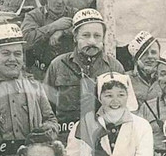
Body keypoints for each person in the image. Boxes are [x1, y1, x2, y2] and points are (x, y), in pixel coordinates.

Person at [0, 23, 59, 156]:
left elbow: (51, 119)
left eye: (17, 53)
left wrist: (47, 130)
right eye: (6, 53)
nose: (12, 59)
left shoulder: (35, 87)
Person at [43, 9, 125, 144]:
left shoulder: (114, 68)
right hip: (66, 139)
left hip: (103, 141)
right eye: (86, 35)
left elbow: (124, 111)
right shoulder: (58, 65)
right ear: (75, 37)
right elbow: (46, 108)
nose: (92, 41)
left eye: (97, 36)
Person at [22, 0, 75, 78]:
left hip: (69, 75)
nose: (60, 1)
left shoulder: (74, 13)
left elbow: (85, 29)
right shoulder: (34, 15)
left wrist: (62, 32)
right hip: (40, 74)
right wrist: (53, 27)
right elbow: (26, 40)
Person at [126, 30, 162, 103]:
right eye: (144, 53)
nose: (150, 56)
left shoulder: (165, 78)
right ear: (136, 59)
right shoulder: (126, 79)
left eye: (153, 52)